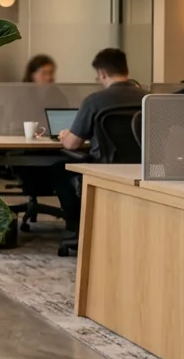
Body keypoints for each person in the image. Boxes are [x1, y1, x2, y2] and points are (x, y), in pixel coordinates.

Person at [53, 48, 147, 233]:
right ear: (126, 70)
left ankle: (77, 226)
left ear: (102, 73)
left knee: (59, 169)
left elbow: (73, 144)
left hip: (105, 168)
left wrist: (65, 136)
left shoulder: (94, 101)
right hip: (145, 169)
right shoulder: (148, 98)